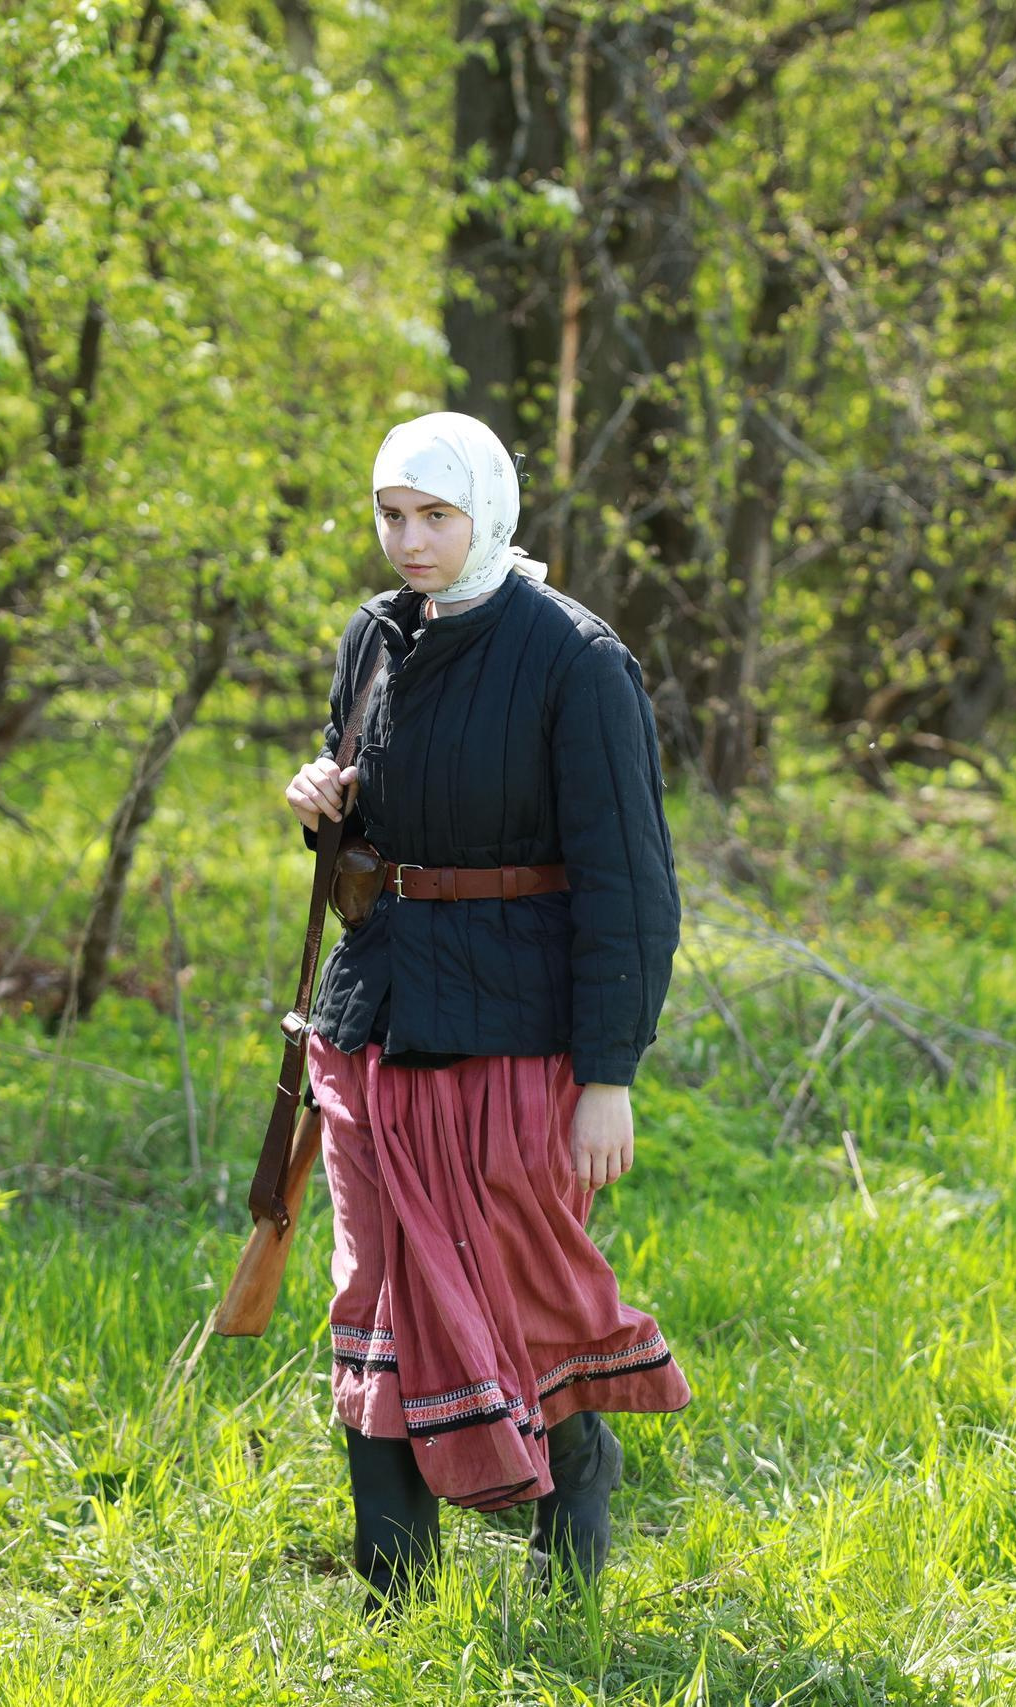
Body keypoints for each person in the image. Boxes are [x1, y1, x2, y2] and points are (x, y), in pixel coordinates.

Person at [280, 411, 690, 1605]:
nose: (409, 541)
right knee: (381, 1286)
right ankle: (392, 1590)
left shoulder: (573, 656)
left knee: (509, 1284)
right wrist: (324, 801)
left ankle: (574, 1489)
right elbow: (362, 813)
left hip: (517, 1027)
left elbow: (629, 884)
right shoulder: (372, 635)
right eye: (392, 516)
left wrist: (608, 1075)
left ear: (492, 511)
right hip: (374, 1018)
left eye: (435, 516)